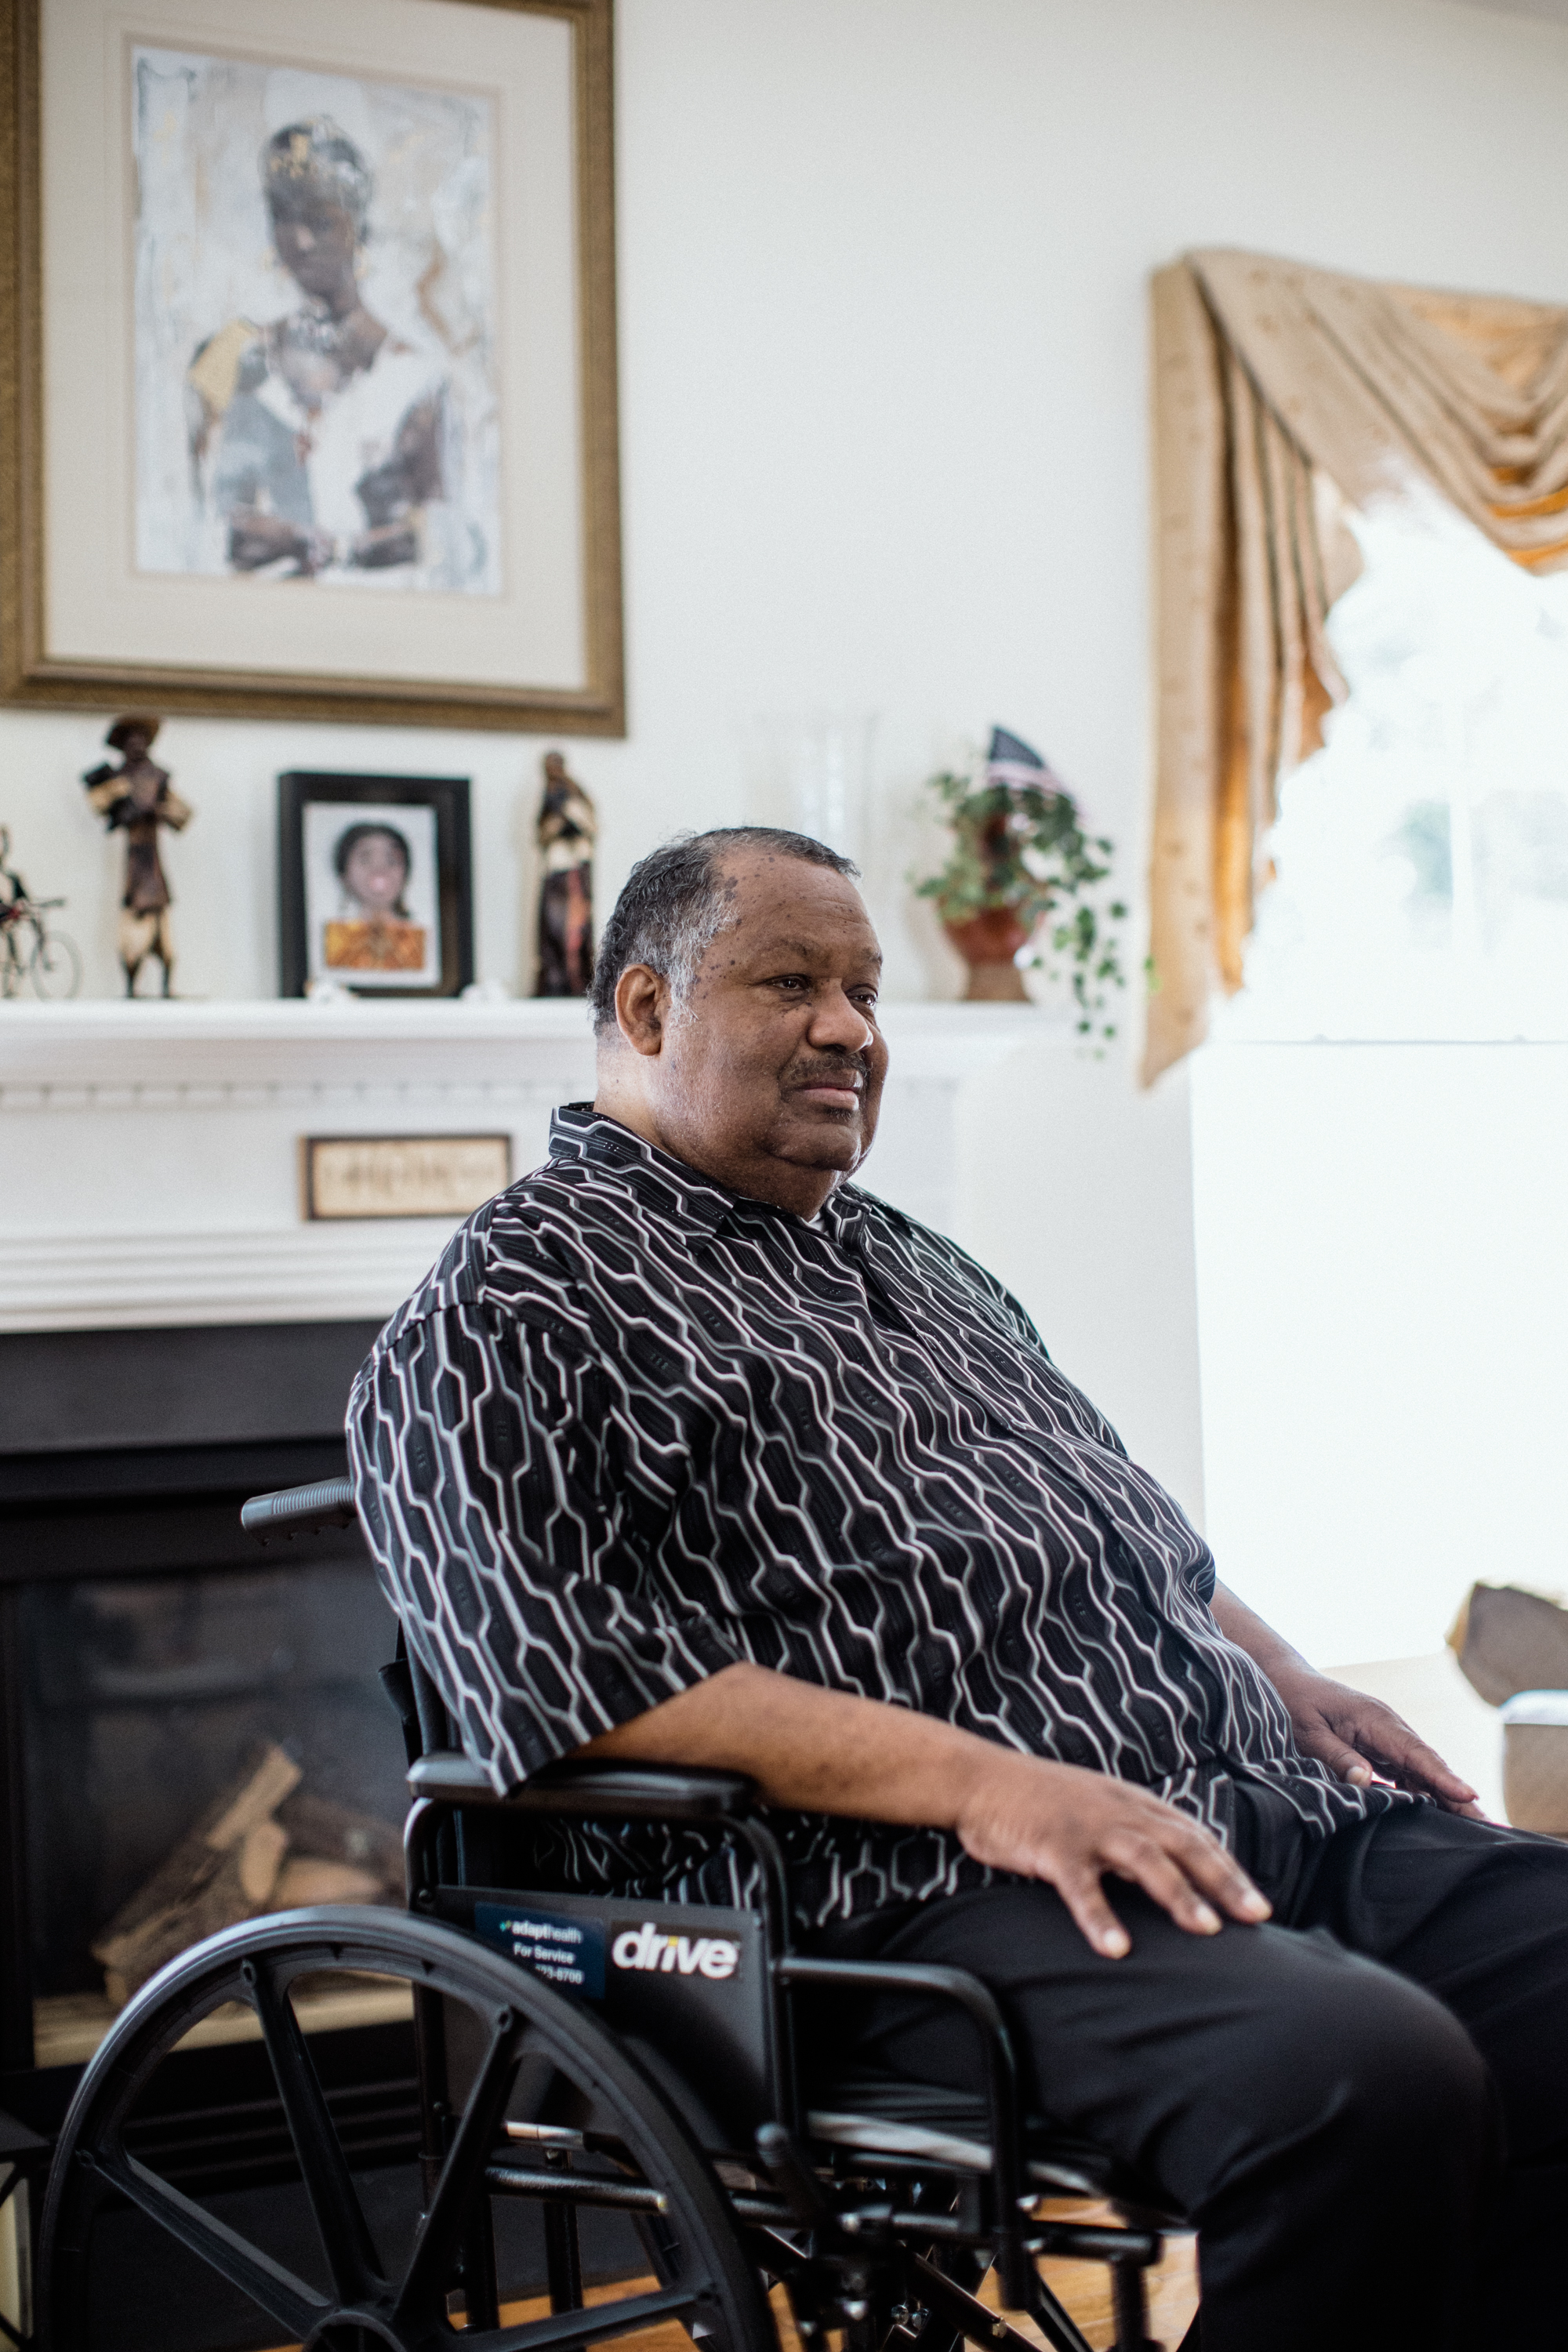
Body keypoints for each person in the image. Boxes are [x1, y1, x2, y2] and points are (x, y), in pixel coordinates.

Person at [349, 826, 1568, 2351]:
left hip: (1241, 1816)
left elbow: (1125, 1538)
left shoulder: (915, 1264)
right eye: (792, 981)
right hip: (899, 1905)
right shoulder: (511, 1302)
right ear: (648, 1011)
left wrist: (1285, 1674)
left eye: (863, 988)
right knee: (1361, 2083)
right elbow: (581, 1688)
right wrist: (998, 1788)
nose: (850, 1025)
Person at [187, 118, 456, 586]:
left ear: (359, 226)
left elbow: (439, 542)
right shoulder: (233, 356)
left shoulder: (415, 377)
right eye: (284, 218)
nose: (301, 241)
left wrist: (339, 549)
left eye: (320, 220)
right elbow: (198, 519)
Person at [81, 716, 192, 996]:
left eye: (141, 741)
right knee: (135, 916)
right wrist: (118, 797)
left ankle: (166, 983)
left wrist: (159, 811)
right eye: (131, 742)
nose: (137, 747)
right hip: (135, 858)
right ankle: (132, 984)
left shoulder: (158, 777)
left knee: (159, 917)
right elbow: (99, 802)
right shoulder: (118, 781)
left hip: (151, 857)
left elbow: (183, 814)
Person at [323, 821, 426, 975]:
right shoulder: (337, 940)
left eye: (391, 860)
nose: (379, 869)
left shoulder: (415, 943)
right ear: (344, 874)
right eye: (365, 859)